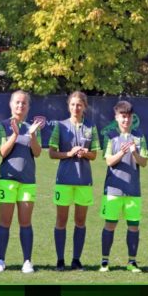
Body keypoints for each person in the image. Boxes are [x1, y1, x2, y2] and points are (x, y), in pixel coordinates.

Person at [0, 91, 45, 274]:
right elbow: (2, 152)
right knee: (4, 221)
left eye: (24, 103)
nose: (20, 106)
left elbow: (38, 153)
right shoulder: (3, 126)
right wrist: (15, 135)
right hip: (7, 180)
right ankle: (0, 260)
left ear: (28, 107)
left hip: (27, 181)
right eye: (17, 103)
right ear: (10, 104)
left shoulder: (33, 127)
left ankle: (27, 261)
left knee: (25, 222)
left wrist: (32, 136)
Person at [48, 91, 100, 271]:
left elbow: (94, 155)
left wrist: (86, 153)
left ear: (84, 106)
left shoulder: (91, 127)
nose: (75, 108)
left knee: (80, 221)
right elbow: (52, 153)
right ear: (68, 106)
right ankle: (60, 260)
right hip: (63, 180)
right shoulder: (60, 126)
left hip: (84, 180)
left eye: (79, 105)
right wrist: (69, 154)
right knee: (61, 220)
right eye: (72, 104)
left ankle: (76, 260)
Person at [99, 101, 148, 273]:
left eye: (129, 117)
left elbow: (144, 162)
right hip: (113, 190)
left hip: (133, 191)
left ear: (132, 118)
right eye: (123, 117)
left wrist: (134, 152)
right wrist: (122, 152)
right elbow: (109, 161)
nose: (126, 120)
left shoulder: (140, 137)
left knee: (133, 226)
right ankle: (104, 261)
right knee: (110, 225)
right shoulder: (110, 136)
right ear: (116, 117)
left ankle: (132, 262)